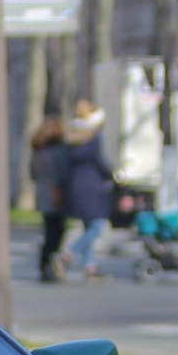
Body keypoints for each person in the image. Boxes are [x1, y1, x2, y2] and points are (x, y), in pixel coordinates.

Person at [60, 101, 114, 276]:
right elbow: (99, 162)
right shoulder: (93, 138)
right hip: (92, 187)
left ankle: (89, 266)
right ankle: (71, 252)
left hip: (75, 186)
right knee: (97, 226)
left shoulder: (71, 137)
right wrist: (112, 175)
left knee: (87, 225)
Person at [28, 115, 70, 282]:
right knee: (56, 231)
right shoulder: (57, 151)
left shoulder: (37, 151)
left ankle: (44, 263)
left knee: (49, 229)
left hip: (42, 192)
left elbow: (32, 174)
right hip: (54, 193)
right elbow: (60, 173)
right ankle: (49, 263)